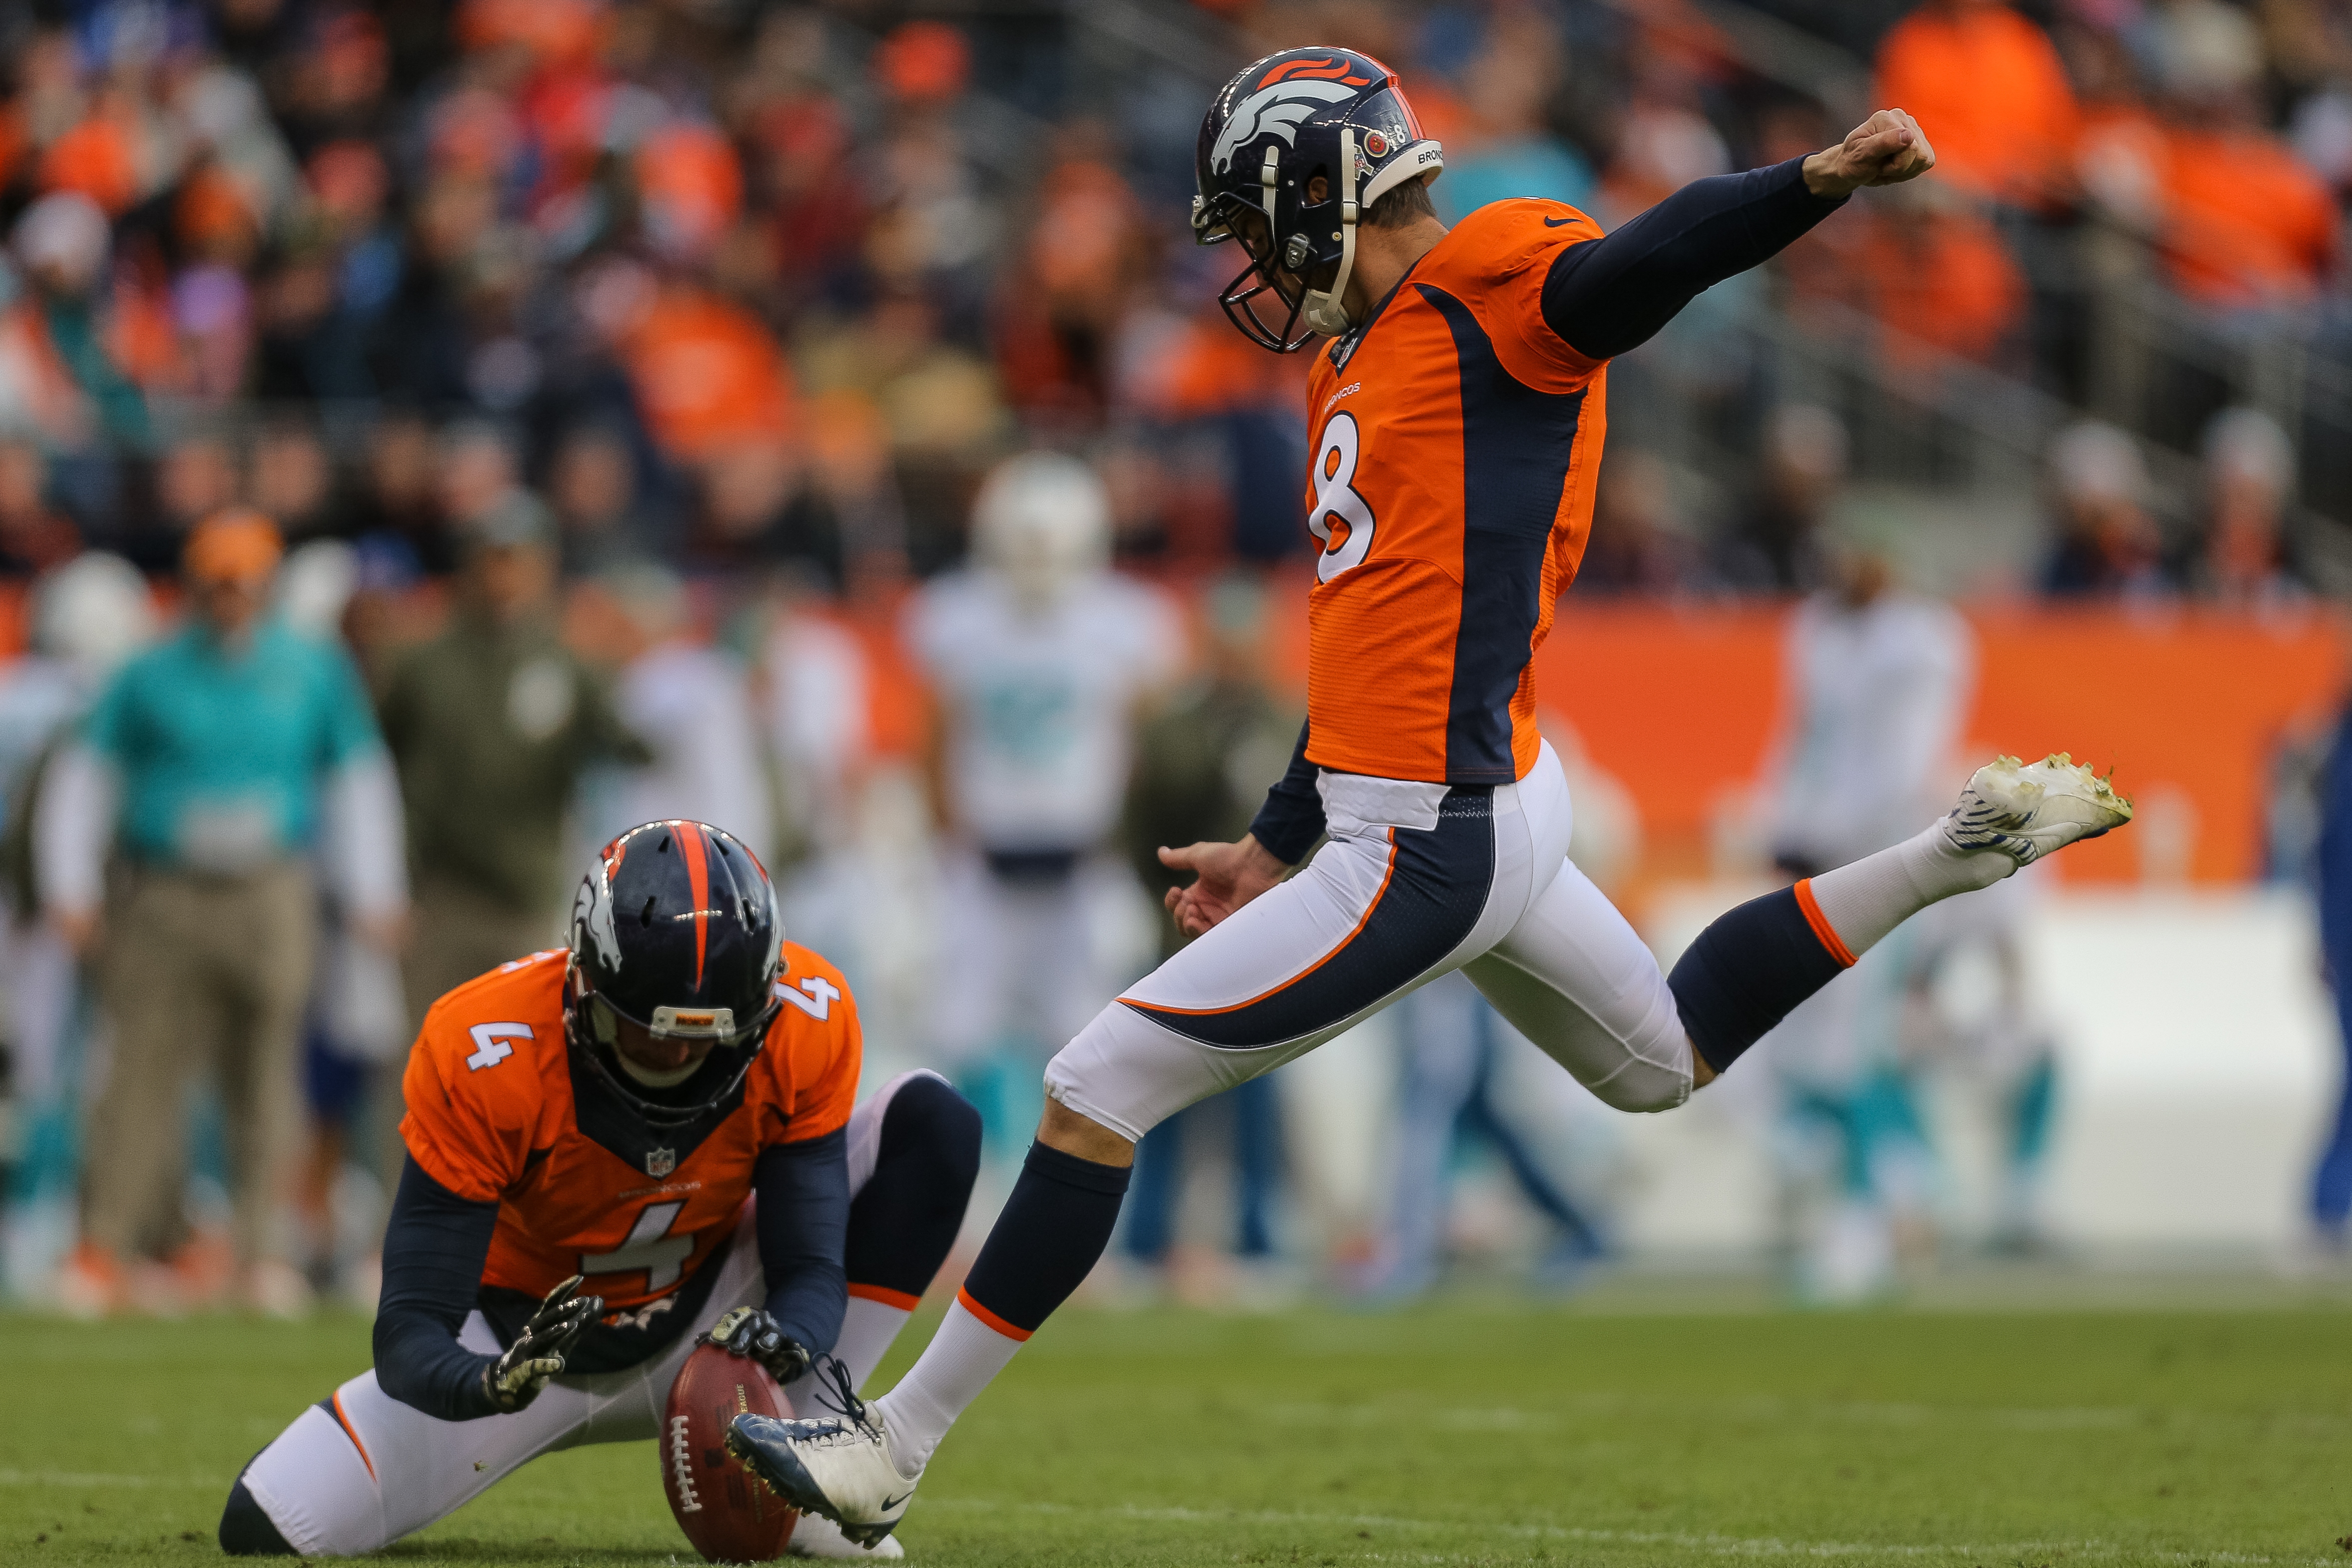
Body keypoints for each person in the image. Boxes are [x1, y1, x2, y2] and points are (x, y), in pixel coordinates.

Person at [727, 48, 2133, 1546]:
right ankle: (1952, 847)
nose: (1255, 271)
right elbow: (1366, 637)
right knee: (1659, 1059)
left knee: (1090, 1086)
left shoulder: (1493, 291)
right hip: (1481, 795)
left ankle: (895, 1440)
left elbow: (1637, 268)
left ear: (1321, 196)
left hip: (1431, 831)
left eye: (1259, 230)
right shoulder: (1369, 344)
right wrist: (1275, 840)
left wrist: (1810, 186)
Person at [218, 821, 982, 1561]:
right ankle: (783, 1456)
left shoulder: (803, 1018)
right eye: (649, 1036)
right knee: (270, 1519)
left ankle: (806, 1453)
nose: (679, 1062)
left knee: (933, 1123)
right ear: (582, 984)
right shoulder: (487, 1048)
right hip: (527, 1346)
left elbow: (810, 1265)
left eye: (709, 1041)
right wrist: (487, 1380)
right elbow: (411, 1327)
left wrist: (792, 1339)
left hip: (715, 1319)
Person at [44, 511, 405, 1317]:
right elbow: (87, 776)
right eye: (218, 581)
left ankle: (260, 1251)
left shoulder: (310, 669)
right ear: (197, 583)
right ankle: (108, 1243)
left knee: (266, 1075)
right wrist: (71, 885)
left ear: (266, 585)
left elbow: (357, 779)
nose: (231, 597)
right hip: (167, 886)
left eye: (244, 582)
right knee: (139, 1071)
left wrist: (376, 889)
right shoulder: (150, 671)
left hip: (269, 884)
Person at [902, 453, 1181, 1150]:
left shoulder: (1126, 620)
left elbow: (1150, 742)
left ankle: (1082, 1200)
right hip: (985, 859)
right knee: (957, 1031)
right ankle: (964, 1197)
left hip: (1085, 859)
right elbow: (935, 735)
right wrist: (946, 835)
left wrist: (1127, 837)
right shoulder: (957, 614)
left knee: (1093, 1042)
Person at [376, 491, 648, 1185]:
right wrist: (383, 880)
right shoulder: (423, 661)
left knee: (537, 1067)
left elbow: (633, 749)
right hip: (435, 892)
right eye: (494, 560)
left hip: (527, 891)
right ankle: (396, 1226)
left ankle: (521, 1224)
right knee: (421, 1065)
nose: (506, 577)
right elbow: (370, 770)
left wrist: (638, 667)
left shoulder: (569, 664)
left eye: (520, 561)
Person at [1116, 575, 1298, 1294]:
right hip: (1184, 934)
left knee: (1261, 1096)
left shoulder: (1289, 724)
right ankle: (1146, 1238)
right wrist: (1172, 902)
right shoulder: (1173, 729)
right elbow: (1141, 832)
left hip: (1275, 939)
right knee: (1160, 1087)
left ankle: (1258, 1236)